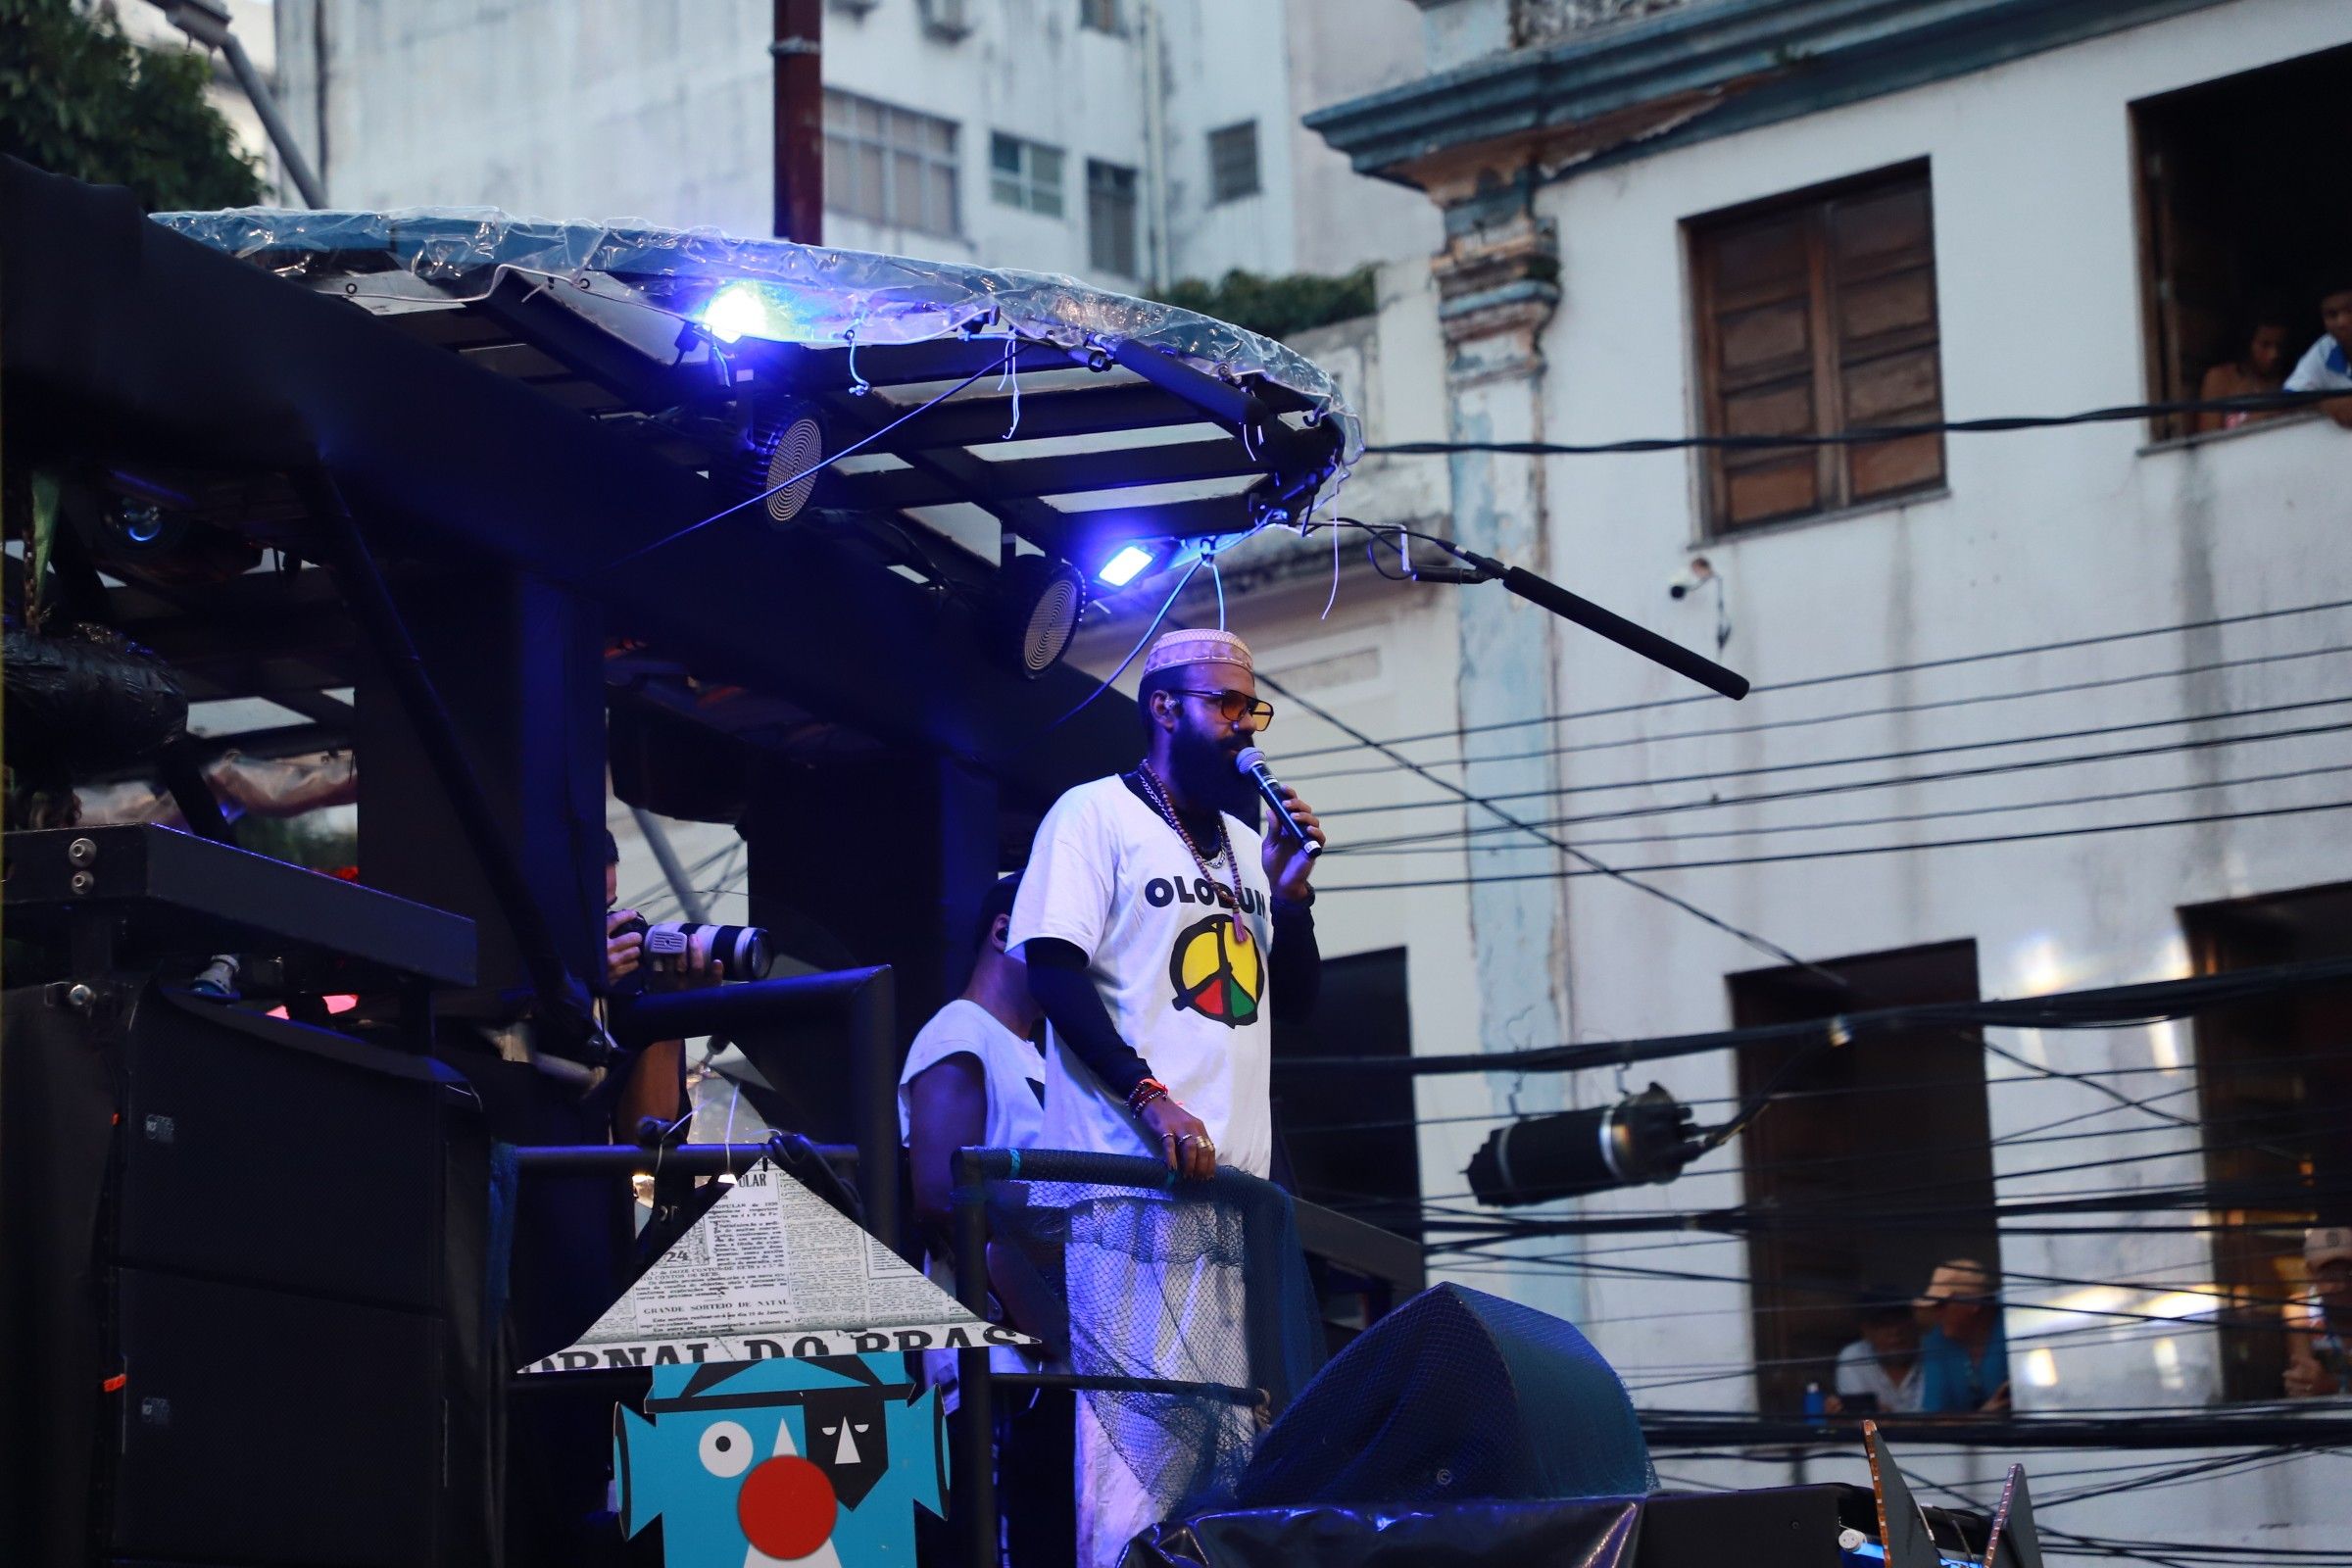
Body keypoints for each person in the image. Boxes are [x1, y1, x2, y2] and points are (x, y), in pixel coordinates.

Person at [1007, 625, 1324, 1568]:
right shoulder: (1093, 816)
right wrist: (1151, 1097)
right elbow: (1053, 974)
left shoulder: (1242, 846)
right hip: (1134, 1189)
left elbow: (1295, 1005)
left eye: (1251, 708)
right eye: (1225, 705)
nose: (1243, 727)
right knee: (1137, 1470)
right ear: (1162, 707)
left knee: (1227, 1467)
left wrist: (1294, 900)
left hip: (1235, 1201)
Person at [897, 873, 1071, 1567]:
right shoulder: (958, 1032)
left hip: (1046, 1359)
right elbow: (941, 1197)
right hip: (989, 1362)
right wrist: (1037, 1308)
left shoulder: (1043, 1053)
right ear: (1004, 930)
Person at [1914, 1258, 2009, 1415]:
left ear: (1973, 1304)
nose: (1937, 1314)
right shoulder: (1936, 1341)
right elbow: (1935, 1419)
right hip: (1960, 1439)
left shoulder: (2013, 1329)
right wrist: (1981, 1419)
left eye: (1942, 1305)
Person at [2284, 1226, 2352, 1398]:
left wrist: (2334, 1385)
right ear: (2310, 1274)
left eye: (2349, 1273)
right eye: (2330, 1275)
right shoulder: (2300, 1310)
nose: (2342, 1285)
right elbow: (2306, 1376)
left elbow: (2320, 1385)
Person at [1829, 1295, 1924, 1415]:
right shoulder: (1854, 1359)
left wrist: (1890, 1423)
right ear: (1866, 1331)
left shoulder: (1935, 1354)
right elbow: (1866, 1429)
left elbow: (1944, 1422)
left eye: (1900, 1321)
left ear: (1914, 1324)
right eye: (1883, 1324)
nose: (1895, 1331)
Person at [2194, 315, 2291, 433]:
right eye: (2265, 345)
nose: (2274, 354)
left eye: (2279, 346)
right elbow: (2208, 438)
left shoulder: (2291, 383)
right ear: (2248, 343)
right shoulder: (2220, 378)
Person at [2283, 282, 2352, 429]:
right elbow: (2290, 399)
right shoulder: (2324, 350)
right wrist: (2325, 403)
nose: (2342, 322)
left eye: (2350, 310)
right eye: (2332, 315)